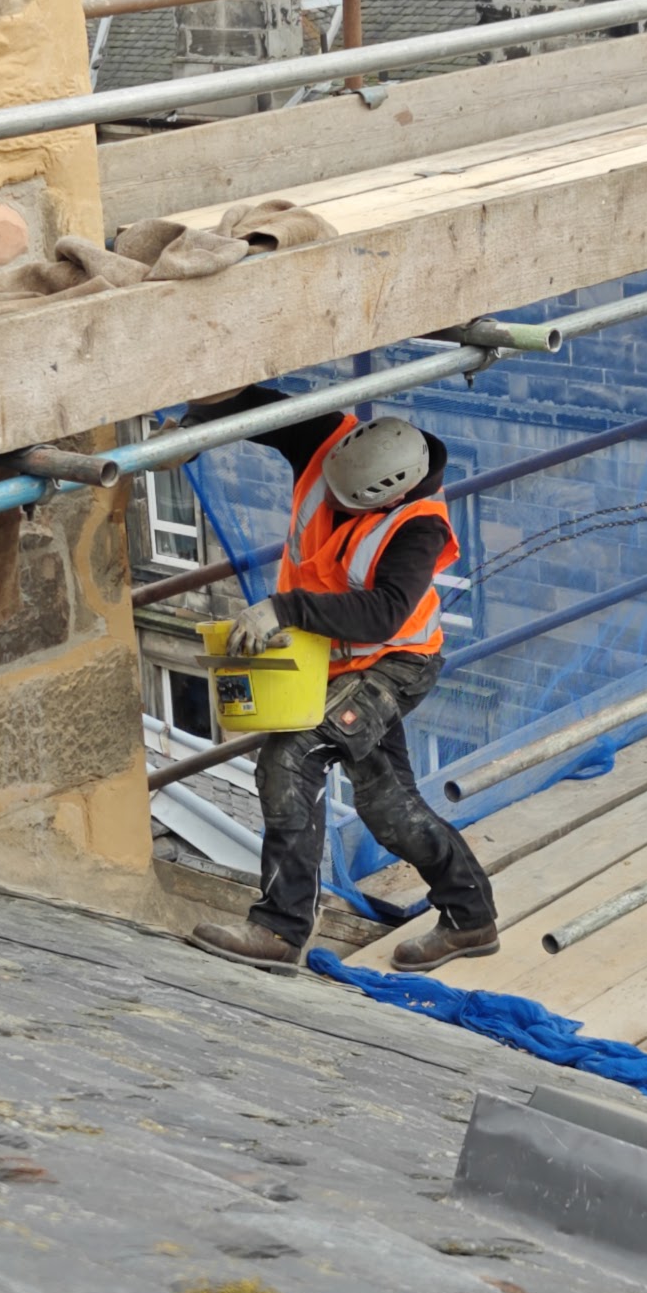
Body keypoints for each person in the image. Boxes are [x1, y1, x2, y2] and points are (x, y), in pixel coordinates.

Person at [190, 400, 498, 978]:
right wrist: (194, 425)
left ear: (389, 494)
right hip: (332, 664)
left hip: (394, 663)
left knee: (289, 757)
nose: (326, 502)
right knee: (388, 809)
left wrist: (284, 609)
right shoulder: (333, 445)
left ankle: (278, 931)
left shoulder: (419, 526)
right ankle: (470, 918)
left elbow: (383, 613)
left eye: (343, 502)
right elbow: (254, 405)